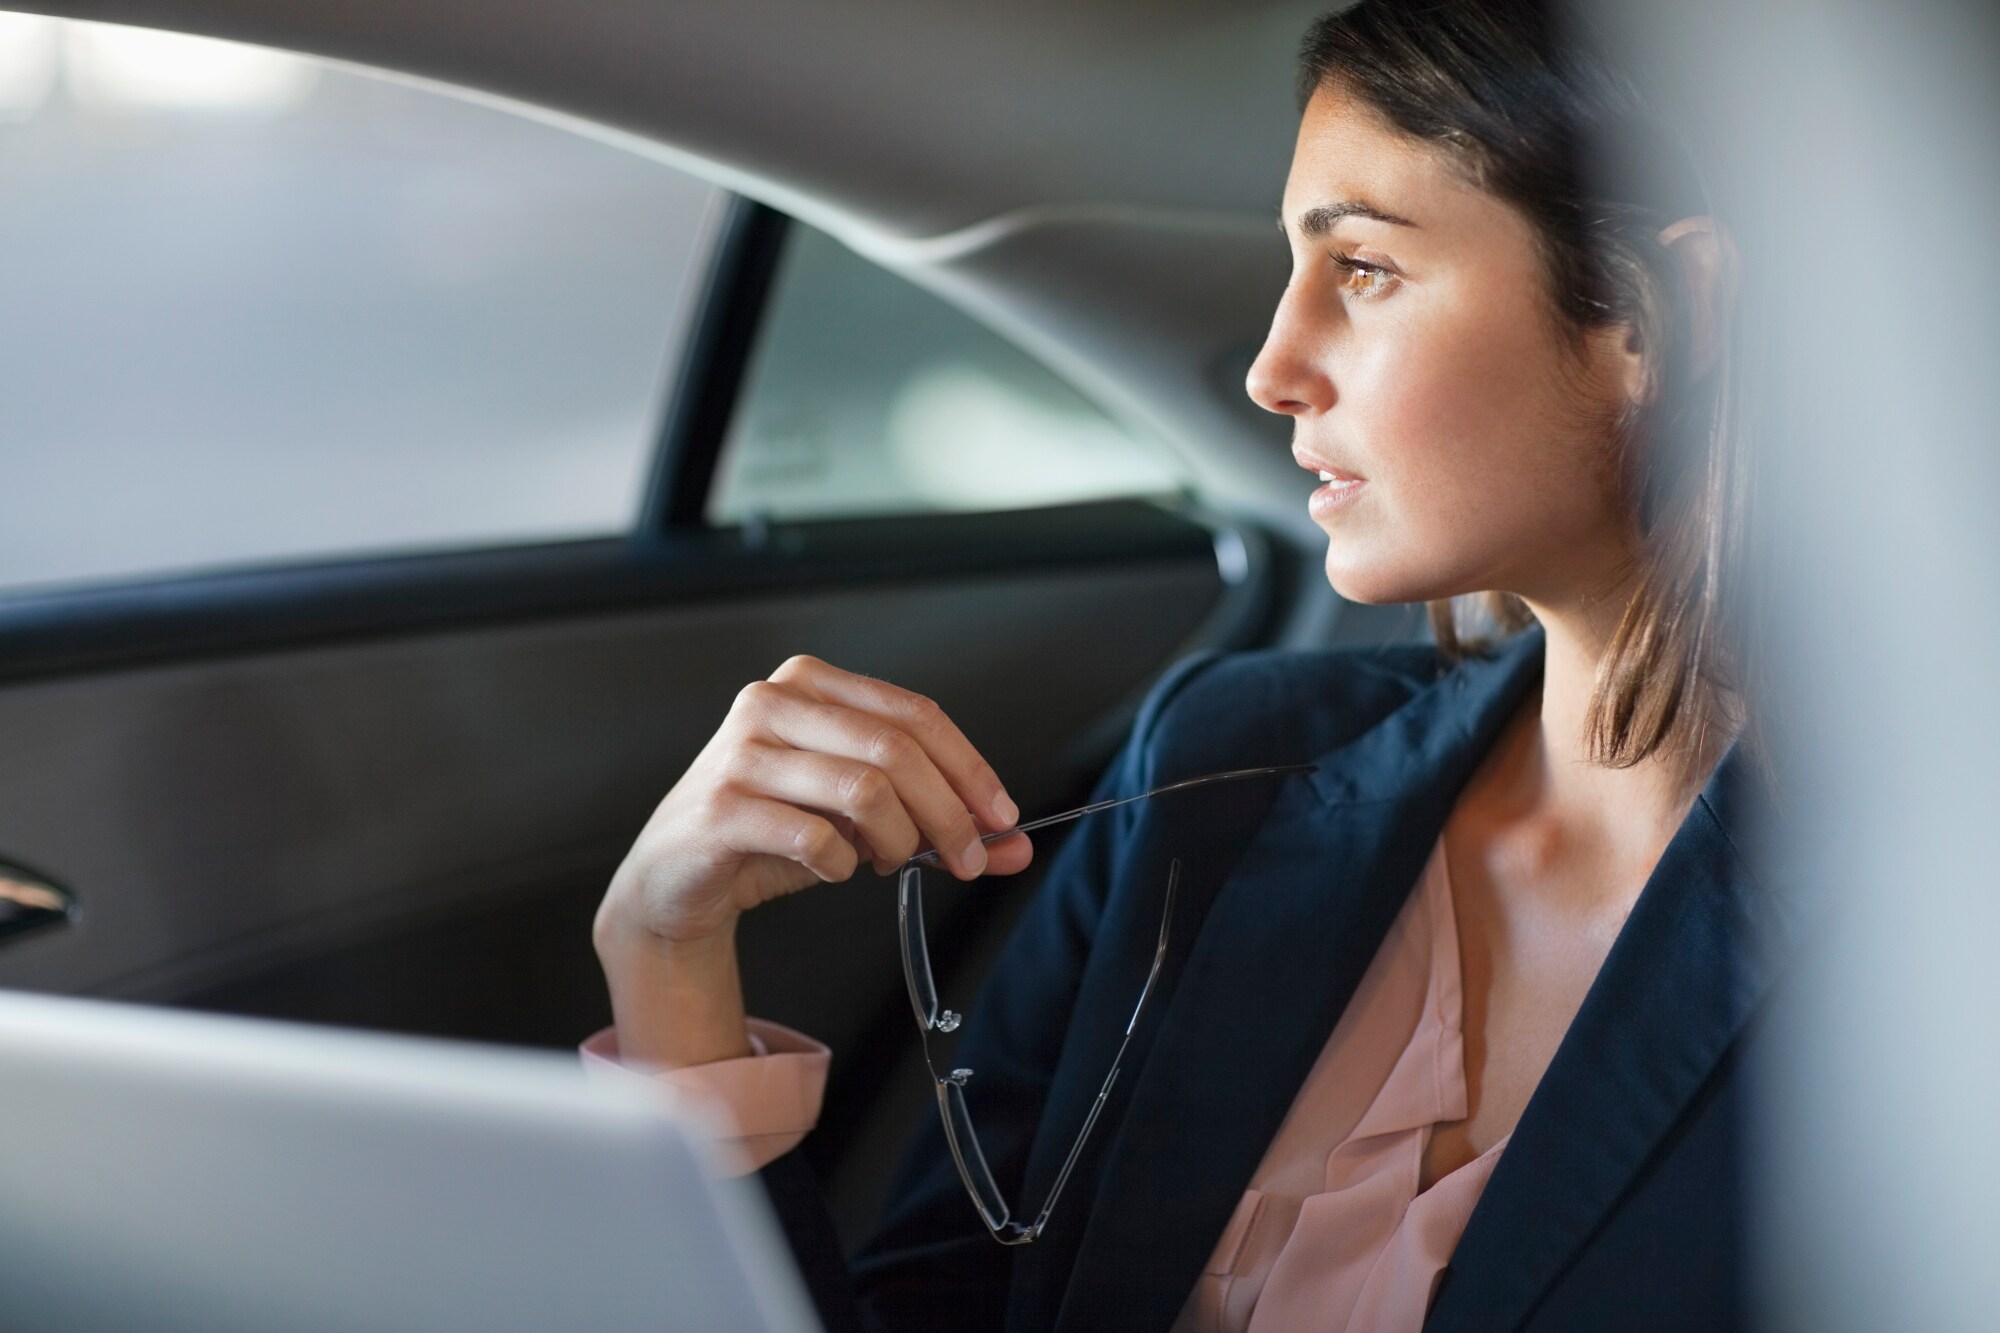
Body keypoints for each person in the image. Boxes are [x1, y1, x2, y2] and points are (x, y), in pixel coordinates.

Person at [587, 1, 1776, 1328]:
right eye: (1292, 270)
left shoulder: (1944, 933)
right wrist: (668, 964)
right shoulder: (1210, 773)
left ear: (1651, 316)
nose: (1273, 367)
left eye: (1365, 269)